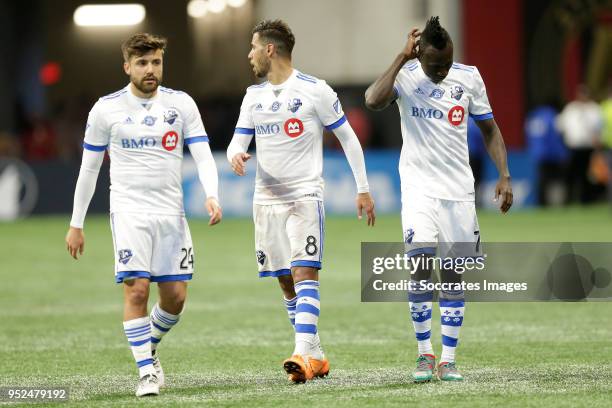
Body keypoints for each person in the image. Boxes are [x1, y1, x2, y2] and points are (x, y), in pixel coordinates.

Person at [64, 33, 222, 397]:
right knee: (136, 291)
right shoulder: (106, 109)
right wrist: (77, 223)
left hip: (171, 213)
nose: (150, 70)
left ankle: (147, 346)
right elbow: (88, 170)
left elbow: (201, 153)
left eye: (156, 62)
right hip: (129, 212)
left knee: (176, 299)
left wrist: (211, 194)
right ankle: (146, 373)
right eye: (142, 63)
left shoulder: (181, 105)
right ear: (127, 67)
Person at [227, 20, 375, 383]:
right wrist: (235, 155)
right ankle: (315, 354)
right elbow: (237, 141)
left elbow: (348, 138)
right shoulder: (252, 96)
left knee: (304, 271)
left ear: (270, 50)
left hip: (304, 198)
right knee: (285, 281)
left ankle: (299, 352)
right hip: (266, 202)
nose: (249, 54)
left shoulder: (315, 90)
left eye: (253, 47)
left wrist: (363, 187)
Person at [365, 16, 512, 382]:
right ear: (418, 56)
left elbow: (490, 130)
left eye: (446, 63)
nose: (442, 71)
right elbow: (371, 100)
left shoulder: (469, 77)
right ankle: (424, 354)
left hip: (459, 192)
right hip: (418, 188)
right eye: (434, 66)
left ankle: (448, 358)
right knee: (419, 265)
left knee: (451, 276)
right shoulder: (406, 75)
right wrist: (401, 59)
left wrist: (504, 175)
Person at [556, 85, 602, 204]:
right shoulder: (571, 109)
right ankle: (568, 200)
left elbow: (599, 128)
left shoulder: (594, 109)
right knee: (570, 175)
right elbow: (560, 127)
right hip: (573, 147)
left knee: (588, 176)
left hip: (589, 148)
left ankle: (586, 200)